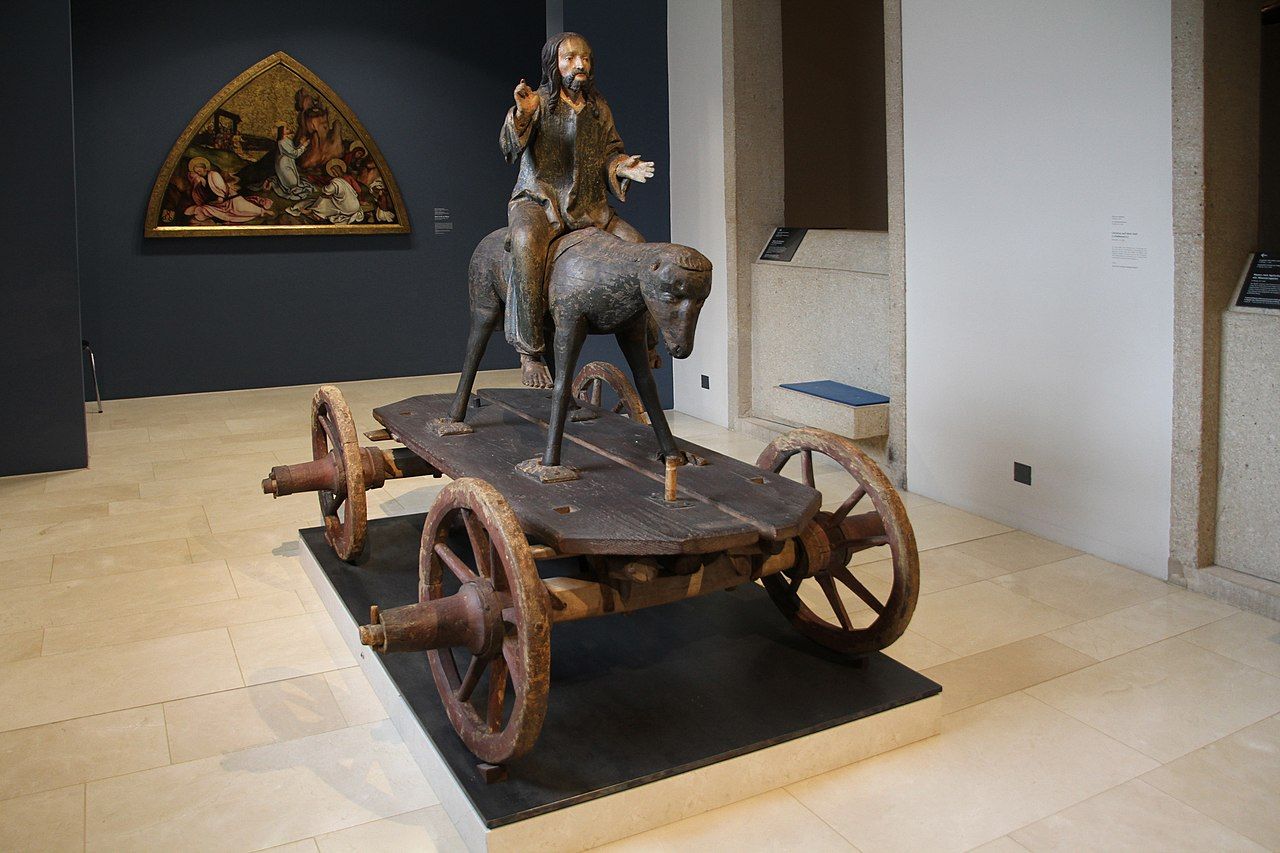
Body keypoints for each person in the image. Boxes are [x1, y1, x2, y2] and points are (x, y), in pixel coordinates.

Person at [500, 31, 655, 387]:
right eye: (569, 58)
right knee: (525, 243)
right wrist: (521, 116)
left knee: (640, 249)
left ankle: (648, 341)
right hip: (539, 200)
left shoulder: (598, 109)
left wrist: (622, 166)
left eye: (584, 58)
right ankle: (530, 352)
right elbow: (509, 149)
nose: (579, 65)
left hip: (589, 207)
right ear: (553, 64)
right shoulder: (536, 102)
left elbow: (610, 152)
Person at [183, 156, 272, 224]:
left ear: (205, 169)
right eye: (197, 172)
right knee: (202, 210)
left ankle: (263, 211)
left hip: (230, 199)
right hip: (217, 204)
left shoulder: (213, 175)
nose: (199, 173)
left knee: (242, 208)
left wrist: (220, 197)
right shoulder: (201, 181)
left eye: (199, 171)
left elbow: (222, 188)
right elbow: (201, 193)